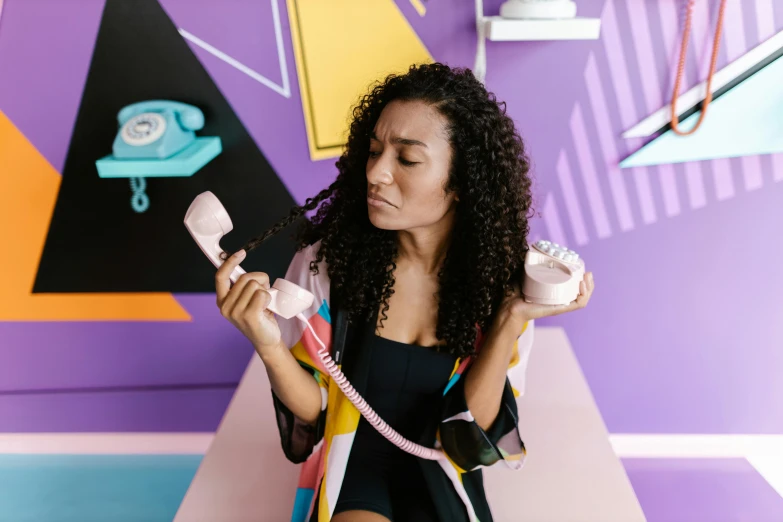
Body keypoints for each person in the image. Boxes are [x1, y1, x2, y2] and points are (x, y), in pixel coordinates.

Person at [214, 63, 594, 522]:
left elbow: (470, 439)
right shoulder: (327, 263)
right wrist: (269, 343)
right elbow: (312, 415)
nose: (376, 173)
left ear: (461, 182)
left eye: (407, 159)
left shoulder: (498, 282)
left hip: (443, 469)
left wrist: (512, 318)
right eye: (374, 151)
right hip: (352, 462)